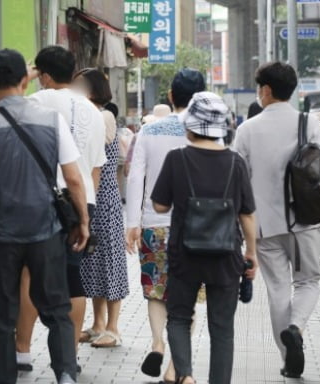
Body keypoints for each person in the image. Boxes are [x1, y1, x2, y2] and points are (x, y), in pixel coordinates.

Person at [0, 48, 90, 384]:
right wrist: (83, 221)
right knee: (56, 308)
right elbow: (73, 178)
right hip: (44, 230)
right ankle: (66, 375)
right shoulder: (52, 120)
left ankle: (4, 379)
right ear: (26, 80)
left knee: (0, 315)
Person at [151, 91, 258, 384]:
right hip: (226, 256)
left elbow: (160, 205)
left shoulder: (177, 159)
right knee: (222, 328)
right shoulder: (236, 163)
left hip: (185, 255)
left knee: (179, 318)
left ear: (190, 125)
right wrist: (252, 252)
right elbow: (247, 213)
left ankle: (184, 375)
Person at [233, 62, 320, 379]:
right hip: (305, 221)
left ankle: (289, 357)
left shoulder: (247, 129)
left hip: (263, 227)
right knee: (308, 282)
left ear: (266, 90)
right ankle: (296, 327)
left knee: (277, 290)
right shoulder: (308, 123)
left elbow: (237, 180)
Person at [15, 46, 106, 372]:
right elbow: (94, 171)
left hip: (41, 200)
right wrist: (84, 213)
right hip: (82, 203)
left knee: (30, 274)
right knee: (72, 279)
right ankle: (70, 356)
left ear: (43, 75)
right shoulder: (94, 111)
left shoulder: (34, 102)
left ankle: (22, 351)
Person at [126, 69, 206, 383]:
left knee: (157, 293)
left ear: (171, 96)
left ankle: (157, 341)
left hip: (154, 224)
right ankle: (176, 367)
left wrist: (132, 223)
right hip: (196, 228)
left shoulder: (151, 130)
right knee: (186, 299)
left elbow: (135, 177)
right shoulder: (207, 130)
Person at [72, 68, 129, 348]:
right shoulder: (88, 114)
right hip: (91, 197)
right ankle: (97, 325)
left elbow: (97, 146)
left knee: (109, 262)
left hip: (104, 199)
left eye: (79, 84)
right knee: (92, 263)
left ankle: (113, 327)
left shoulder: (103, 115)